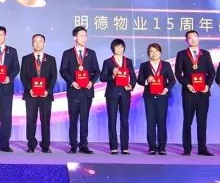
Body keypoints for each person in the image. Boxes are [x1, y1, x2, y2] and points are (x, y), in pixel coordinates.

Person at [59, 25, 100, 154]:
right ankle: (73, 145)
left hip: (86, 92)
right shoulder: (68, 53)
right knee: (73, 119)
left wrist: (91, 82)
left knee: (84, 119)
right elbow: (63, 70)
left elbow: (96, 71)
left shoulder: (91, 53)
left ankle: (83, 145)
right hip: (74, 91)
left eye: (85, 35)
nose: (84, 38)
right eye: (81, 35)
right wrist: (72, 82)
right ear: (75, 37)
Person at [175, 29, 216, 156]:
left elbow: (211, 73)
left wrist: (207, 86)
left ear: (199, 38)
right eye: (190, 37)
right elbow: (178, 74)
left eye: (195, 37)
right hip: (189, 92)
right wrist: (187, 85)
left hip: (203, 93)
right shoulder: (181, 54)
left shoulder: (206, 54)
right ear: (186, 40)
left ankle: (202, 148)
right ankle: (187, 149)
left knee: (202, 121)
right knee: (187, 121)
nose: (193, 39)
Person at [20, 33, 57, 153]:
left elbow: (53, 76)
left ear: (44, 43)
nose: (37, 44)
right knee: (31, 120)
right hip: (31, 95)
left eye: (40, 41)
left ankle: (45, 145)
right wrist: (30, 89)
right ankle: (31, 145)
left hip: (45, 95)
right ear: (32, 43)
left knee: (45, 120)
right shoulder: (26, 59)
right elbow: (23, 76)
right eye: (35, 41)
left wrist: (48, 90)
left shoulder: (51, 59)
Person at [137, 42, 175, 155]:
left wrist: (166, 89)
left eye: (156, 51)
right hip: (149, 96)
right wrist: (146, 81)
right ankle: (152, 147)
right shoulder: (144, 65)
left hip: (162, 96)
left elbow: (172, 80)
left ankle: (162, 147)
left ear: (160, 52)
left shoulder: (166, 65)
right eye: (151, 51)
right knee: (151, 122)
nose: (154, 53)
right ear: (148, 53)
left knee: (161, 122)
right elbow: (139, 80)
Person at [100, 38, 136, 155]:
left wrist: (131, 86)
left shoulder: (128, 61)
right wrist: (112, 75)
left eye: (121, 47)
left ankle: (125, 147)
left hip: (125, 93)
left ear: (124, 48)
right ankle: (113, 147)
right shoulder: (107, 62)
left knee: (124, 120)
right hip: (112, 94)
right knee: (112, 120)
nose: (119, 49)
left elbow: (133, 77)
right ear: (113, 48)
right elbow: (102, 77)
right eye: (117, 47)